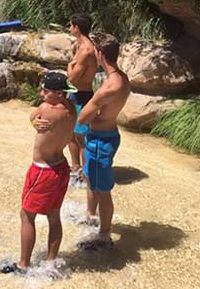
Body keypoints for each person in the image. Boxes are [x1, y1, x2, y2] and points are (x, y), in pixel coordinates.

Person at [0, 72, 77, 275]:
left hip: (43, 171)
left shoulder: (46, 110)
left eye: (45, 90)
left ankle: (23, 265)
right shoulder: (70, 108)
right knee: (53, 216)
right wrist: (34, 122)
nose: (41, 93)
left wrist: (34, 121)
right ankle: (51, 264)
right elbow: (35, 121)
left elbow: (33, 116)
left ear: (59, 93)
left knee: (26, 215)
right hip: (61, 167)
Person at [76, 33, 131, 250]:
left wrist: (93, 104)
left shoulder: (107, 89)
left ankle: (105, 236)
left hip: (100, 141)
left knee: (103, 190)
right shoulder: (122, 78)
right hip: (106, 134)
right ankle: (90, 216)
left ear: (100, 54)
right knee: (91, 179)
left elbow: (82, 118)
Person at [66, 13, 98, 188]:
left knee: (81, 138)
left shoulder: (85, 50)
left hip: (82, 97)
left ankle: (85, 176)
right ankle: (75, 168)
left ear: (77, 28)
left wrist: (69, 66)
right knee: (71, 134)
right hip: (77, 95)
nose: (69, 28)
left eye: (70, 25)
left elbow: (72, 78)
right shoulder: (82, 46)